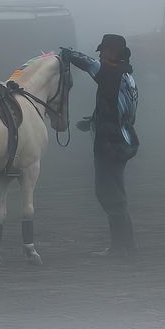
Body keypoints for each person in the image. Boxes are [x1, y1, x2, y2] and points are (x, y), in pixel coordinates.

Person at [61, 34, 139, 258]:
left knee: (108, 193)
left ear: (113, 53)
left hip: (109, 143)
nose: (101, 55)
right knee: (115, 190)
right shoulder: (127, 77)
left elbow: (87, 63)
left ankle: (119, 247)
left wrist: (67, 53)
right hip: (123, 139)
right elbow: (121, 110)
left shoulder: (109, 74)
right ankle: (129, 243)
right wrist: (93, 121)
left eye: (104, 51)